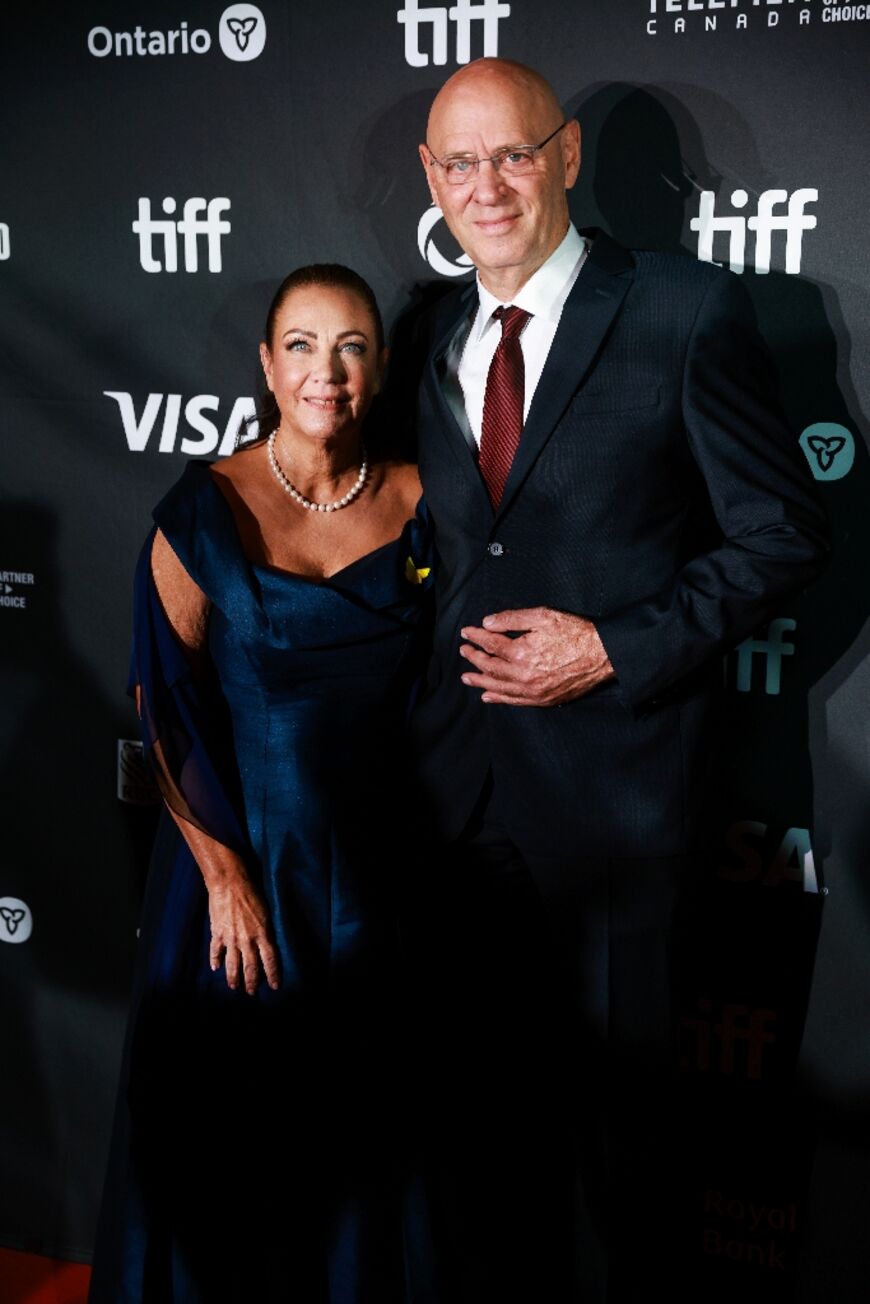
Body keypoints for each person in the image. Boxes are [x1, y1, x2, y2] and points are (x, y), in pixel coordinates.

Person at [404, 58, 829, 1302]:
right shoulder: (423, 326)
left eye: (515, 153)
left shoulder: (682, 309)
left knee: (622, 1154)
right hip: (453, 801)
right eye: (460, 162)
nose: (488, 185)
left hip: (619, 801)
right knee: (477, 1136)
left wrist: (612, 646)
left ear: (569, 158)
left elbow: (782, 532)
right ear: (430, 178)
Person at [90, 265, 436, 1304]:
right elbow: (163, 707)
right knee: (239, 1144)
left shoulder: (424, 501)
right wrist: (225, 877)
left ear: (380, 366)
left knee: (366, 1134)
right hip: (240, 868)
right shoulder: (202, 510)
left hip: (380, 874)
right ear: (267, 365)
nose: (326, 372)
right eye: (301, 346)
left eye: (351, 347)